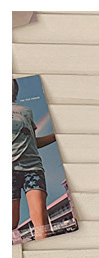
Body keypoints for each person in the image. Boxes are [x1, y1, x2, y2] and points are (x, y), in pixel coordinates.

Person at [12, 78, 56, 240]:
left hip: (33, 168)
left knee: (41, 223)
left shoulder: (26, 111)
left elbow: (31, 142)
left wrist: (57, 136)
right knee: (12, 222)